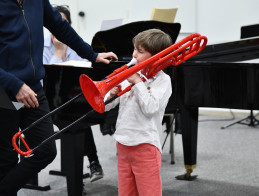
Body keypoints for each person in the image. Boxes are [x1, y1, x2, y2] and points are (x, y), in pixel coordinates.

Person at [0, 0, 117, 195]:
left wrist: (92, 55)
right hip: (4, 93)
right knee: (6, 161)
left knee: (46, 151)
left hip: (33, 89)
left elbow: (61, 28)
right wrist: (15, 85)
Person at [105, 29, 172, 196]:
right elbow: (105, 107)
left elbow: (150, 109)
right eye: (134, 49)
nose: (134, 55)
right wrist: (110, 95)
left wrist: (137, 82)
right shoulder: (132, 73)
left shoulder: (164, 81)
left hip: (146, 145)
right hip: (123, 142)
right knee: (126, 193)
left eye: (140, 51)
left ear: (157, 56)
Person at [43, 5, 103, 182]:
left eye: (64, 23)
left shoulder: (77, 45)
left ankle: (85, 171)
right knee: (74, 119)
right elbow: (47, 81)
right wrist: (59, 52)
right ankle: (92, 164)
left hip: (65, 98)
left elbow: (82, 72)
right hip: (43, 98)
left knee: (77, 117)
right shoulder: (42, 45)